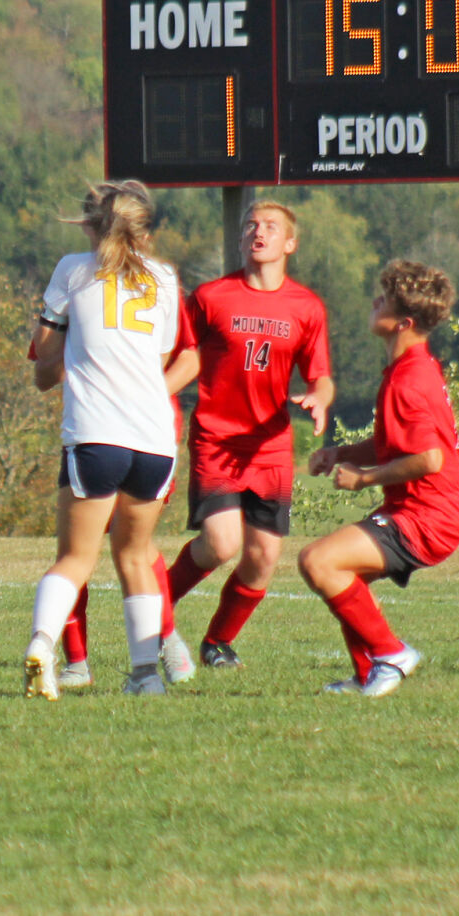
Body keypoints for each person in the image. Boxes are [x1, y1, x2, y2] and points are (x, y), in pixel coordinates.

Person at [23, 181, 182, 699]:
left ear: (91, 225)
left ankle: (43, 648)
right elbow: (156, 363)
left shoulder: (73, 269)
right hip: (155, 439)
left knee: (74, 559)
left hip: (96, 435)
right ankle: (145, 676)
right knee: (135, 557)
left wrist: (57, 364)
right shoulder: (165, 278)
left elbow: (43, 359)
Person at [166, 200, 334, 666]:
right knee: (221, 544)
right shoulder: (210, 297)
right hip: (217, 440)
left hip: (270, 448)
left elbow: (320, 375)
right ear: (242, 239)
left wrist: (320, 397)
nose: (259, 232)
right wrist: (157, 393)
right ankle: (155, 609)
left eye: (271, 227)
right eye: (251, 225)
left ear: (290, 243)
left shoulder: (307, 307)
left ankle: (217, 643)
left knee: (262, 559)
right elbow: (183, 354)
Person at [299, 260, 459, 697]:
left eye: (384, 300)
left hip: (427, 517)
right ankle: (367, 674)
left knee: (319, 562)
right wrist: (342, 454)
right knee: (343, 574)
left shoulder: (409, 379)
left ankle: (391, 654)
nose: (375, 303)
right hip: (423, 510)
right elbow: (398, 442)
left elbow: (428, 459)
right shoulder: (411, 367)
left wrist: (365, 478)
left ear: (403, 322)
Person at [53, 303, 200, 690]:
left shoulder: (158, 282)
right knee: (77, 548)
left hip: (147, 430)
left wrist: (148, 394)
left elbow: (190, 355)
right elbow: (47, 359)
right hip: (94, 426)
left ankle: (164, 639)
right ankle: (77, 663)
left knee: (133, 544)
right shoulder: (78, 281)